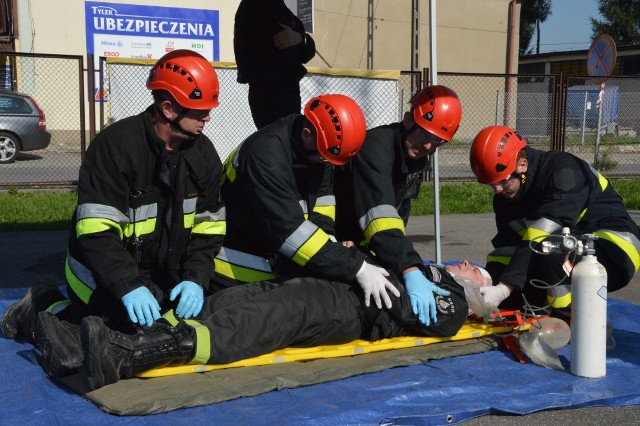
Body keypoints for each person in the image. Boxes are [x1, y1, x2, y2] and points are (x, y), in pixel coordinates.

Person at [0, 49, 226, 377]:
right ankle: (41, 306)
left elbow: (208, 227)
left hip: (157, 276)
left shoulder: (203, 155)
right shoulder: (116, 148)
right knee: (96, 339)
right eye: (201, 111)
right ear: (168, 109)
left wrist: (195, 278)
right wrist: (127, 285)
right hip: (97, 273)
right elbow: (95, 232)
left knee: (163, 329)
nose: (208, 118)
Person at [36, 261, 493, 390]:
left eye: (477, 271)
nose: (468, 263)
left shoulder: (453, 304)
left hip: (350, 311)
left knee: (262, 321)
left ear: (477, 292)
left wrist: (470, 295)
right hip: (332, 283)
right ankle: (82, 345)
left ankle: (130, 355)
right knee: (233, 300)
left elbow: (416, 314)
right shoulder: (423, 271)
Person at [214, 93, 405, 312]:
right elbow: (290, 232)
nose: (325, 165)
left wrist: (328, 239)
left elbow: (321, 202)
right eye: (324, 159)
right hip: (236, 270)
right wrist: (355, 266)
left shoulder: (317, 150)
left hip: (276, 261)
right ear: (307, 134)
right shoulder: (265, 156)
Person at [469, 125, 640, 318]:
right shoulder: (506, 198)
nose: (498, 190)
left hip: (615, 249)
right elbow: (507, 248)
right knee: (514, 296)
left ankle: (573, 321)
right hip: (571, 247)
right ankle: (547, 314)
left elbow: (543, 234)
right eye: (492, 184)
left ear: (522, 165)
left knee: (551, 249)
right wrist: (487, 279)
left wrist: (504, 288)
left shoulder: (563, 170)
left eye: (503, 182)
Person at [333, 85, 463, 326]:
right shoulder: (373, 148)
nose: (428, 146)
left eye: (437, 141)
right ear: (407, 119)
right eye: (425, 134)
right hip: (335, 235)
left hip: (363, 240)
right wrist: (408, 268)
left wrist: (395, 256)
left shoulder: (415, 158)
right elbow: (378, 213)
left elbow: (398, 213)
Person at [234, 0, 316, 129]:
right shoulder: (261, 5)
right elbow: (290, 48)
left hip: (279, 89)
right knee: (282, 141)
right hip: (273, 93)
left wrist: (300, 38)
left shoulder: (277, 6)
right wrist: (300, 39)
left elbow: (305, 49)